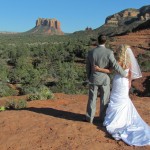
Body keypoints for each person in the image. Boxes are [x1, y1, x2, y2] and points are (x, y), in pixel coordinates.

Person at [94, 44, 150, 146]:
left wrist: (98, 69)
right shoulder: (129, 62)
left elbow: (110, 71)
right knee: (123, 100)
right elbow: (130, 74)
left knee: (115, 100)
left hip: (118, 81)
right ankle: (124, 119)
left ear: (120, 51)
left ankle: (116, 120)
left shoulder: (117, 61)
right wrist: (129, 82)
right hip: (124, 83)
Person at [85, 35, 127, 124]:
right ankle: (103, 119)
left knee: (92, 98)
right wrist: (124, 73)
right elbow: (115, 65)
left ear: (97, 41)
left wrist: (89, 77)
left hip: (93, 78)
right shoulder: (109, 52)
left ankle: (89, 118)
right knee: (105, 99)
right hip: (104, 79)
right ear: (105, 41)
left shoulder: (91, 52)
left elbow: (87, 67)